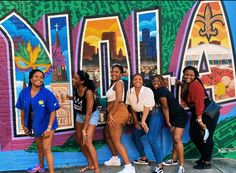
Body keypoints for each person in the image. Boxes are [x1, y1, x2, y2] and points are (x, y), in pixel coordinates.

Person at [16, 69, 60, 173]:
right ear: (31, 79)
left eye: (41, 77)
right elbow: (22, 109)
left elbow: (53, 112)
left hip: (48, 124)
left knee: (46, 148)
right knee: (39, 148)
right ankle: (41, 167)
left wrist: (49, 129)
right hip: (36, 125)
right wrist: (24, 125)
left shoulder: (47, 94)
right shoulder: (24, 93)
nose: (39, 79)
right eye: (36, 76)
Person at [181, 66, 220, 169]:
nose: (188, 76)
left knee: (206, 136)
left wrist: (199, 120)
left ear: (195, 76)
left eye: (191, 75)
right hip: (200, 112)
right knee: (194, 134)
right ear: (183, 74)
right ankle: (204, 156)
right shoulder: (188, 84)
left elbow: (199, 103)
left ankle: (207, 161)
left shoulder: (195, 85)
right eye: (186, 74)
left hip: (207, 112)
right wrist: (178, 83)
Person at [151, 75, 188, 173]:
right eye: (154, 81)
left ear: (162, 82)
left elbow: (165, 107)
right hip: (173, 117)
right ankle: (174, 160)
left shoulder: (161, 91)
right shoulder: (159, 90)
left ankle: (181, 166)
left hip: (180, 116)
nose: (156, 82)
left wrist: (167, 122)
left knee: (177, 138)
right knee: (174, 139)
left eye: (158, 80)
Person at [104, 64, 135, 173]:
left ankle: (129, 167)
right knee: (108, 136)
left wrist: (110, 114)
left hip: (118, 112)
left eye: (117, 72)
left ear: (121, 74)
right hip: (113, 112)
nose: (114, 73)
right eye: (112, 71)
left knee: (116, 141)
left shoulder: (119, 83)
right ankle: (115, 158)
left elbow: (118, 99)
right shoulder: (114, 84)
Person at [67, 70, 100, 173]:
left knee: (87, 141)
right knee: (79, 140)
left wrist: (84, 129)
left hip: (91, 115)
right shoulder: (76, 88)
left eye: (75, 78)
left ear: (81, 81)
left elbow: (89, 113)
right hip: (80, 115)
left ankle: (97, 169)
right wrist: (69, 98)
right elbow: (79, 98)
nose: (73, 79)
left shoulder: (88, 92)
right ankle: (90, 164)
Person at [125, 74, 155, 166]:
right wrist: (136, 121)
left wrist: (143, 121)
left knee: (153, 138)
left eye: (139, 79)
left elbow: (147, 107)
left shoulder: (147, 91)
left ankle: (159, 163)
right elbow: (131, 108)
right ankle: (144, 158)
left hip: (152, 115)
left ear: (142, 81)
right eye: (135, 79)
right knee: (135, 135)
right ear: (132, 81)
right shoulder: (130, 92)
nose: (137, 81)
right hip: (141, 117)